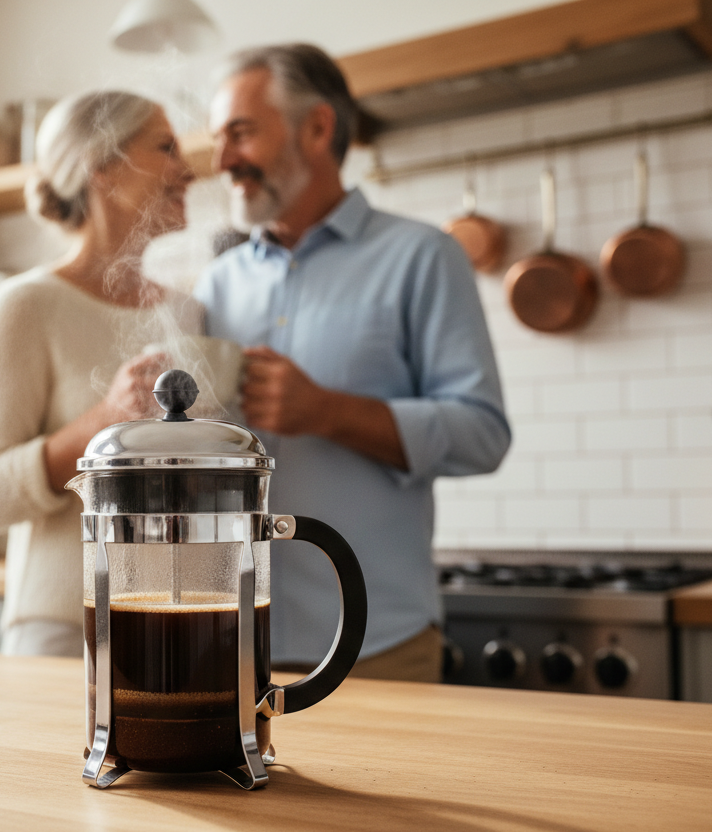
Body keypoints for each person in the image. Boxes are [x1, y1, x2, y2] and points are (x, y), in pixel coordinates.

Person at [195, 44, 511, 683]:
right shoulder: (215, 285)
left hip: (374, 647)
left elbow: (482, 435)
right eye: (217, 139)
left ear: (316, 128)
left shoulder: (424, 257)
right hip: (227, 646)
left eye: (241, 133)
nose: (223, 161)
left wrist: (328, 411)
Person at [0, 91, 201, 657]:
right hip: (65, 630)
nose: (187, 170)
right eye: (166, 148)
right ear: (104, 169)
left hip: (178, 627)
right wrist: (106, 421)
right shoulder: (25, 305)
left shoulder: (191, 313)